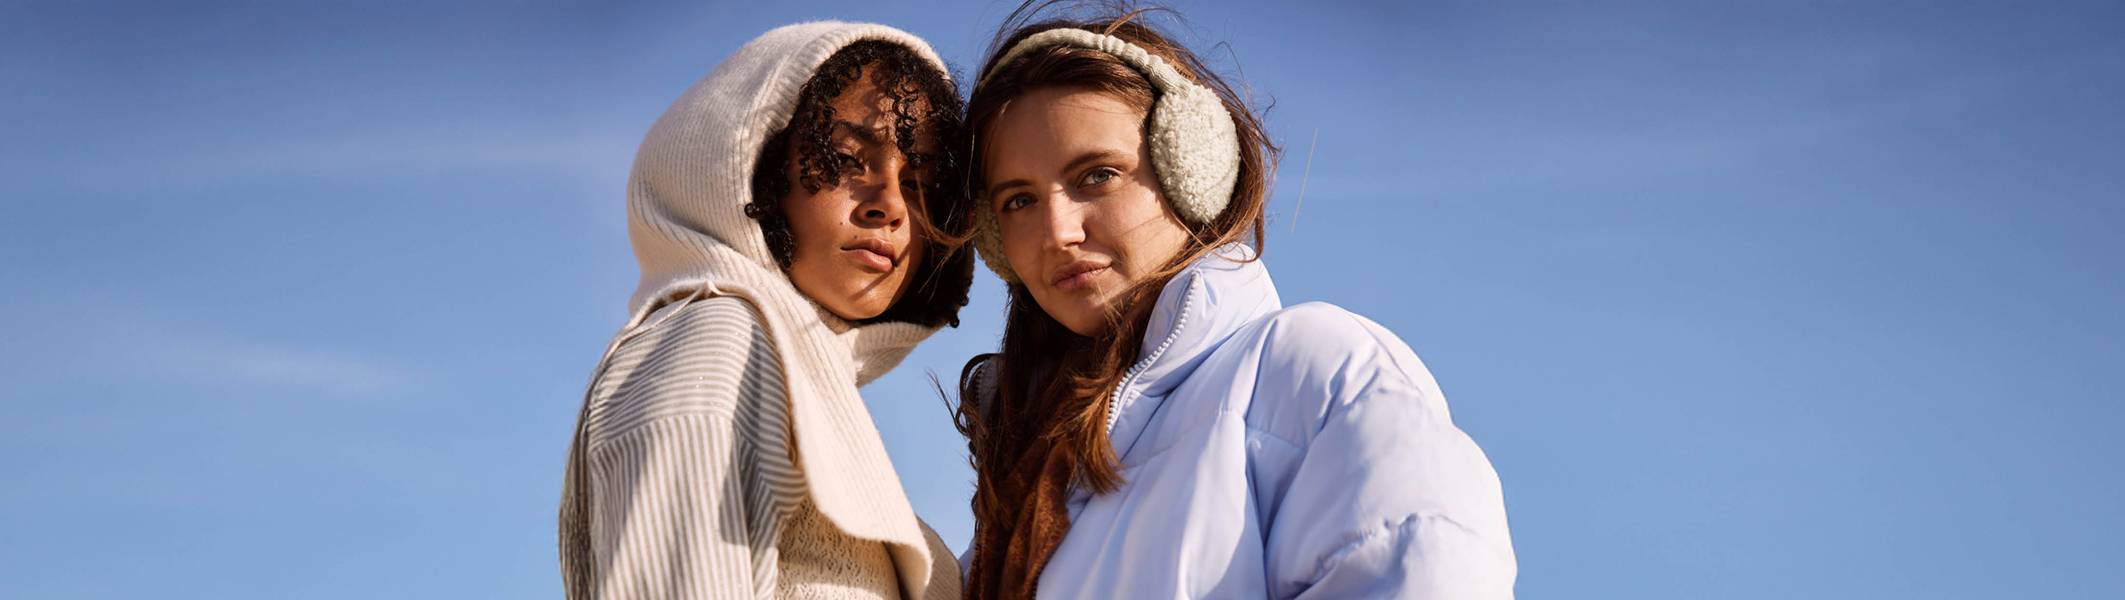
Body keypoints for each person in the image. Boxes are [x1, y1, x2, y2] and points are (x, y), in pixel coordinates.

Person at [953, 6, 1519, 599]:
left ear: (1191, 167)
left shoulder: (1314, 373)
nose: (1056, 232)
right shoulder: (1003, 519)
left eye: (1097, 176)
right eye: (1017, 200)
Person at [560, 21, 974, 600]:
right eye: (850, 160)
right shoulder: (715, 337)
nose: (890, 206)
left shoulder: (788, 373)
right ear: (760, 166)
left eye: (920, 182)